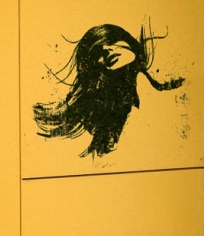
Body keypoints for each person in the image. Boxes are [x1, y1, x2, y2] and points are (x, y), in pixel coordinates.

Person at [33, 23, 184, 157]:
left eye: (112, 39)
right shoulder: (117, 118)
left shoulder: (171, 83)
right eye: (97, 52)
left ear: (128, 41)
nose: (106, 49)